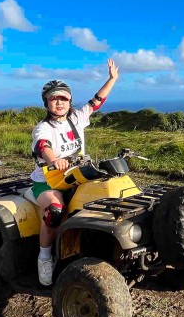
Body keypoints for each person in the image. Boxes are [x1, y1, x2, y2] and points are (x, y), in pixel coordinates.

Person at [31, 59, 119, 285]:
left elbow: (96, 102)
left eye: (63, 98)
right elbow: (43, 146)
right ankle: (44, 258)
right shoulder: (43, 128)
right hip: (48, 183)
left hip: (77, 178)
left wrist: (112, 79)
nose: (59, 102)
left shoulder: (77, 118)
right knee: (55, 209)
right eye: (54, 98)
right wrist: (54, 160)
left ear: (69, 100)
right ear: (46, 102)